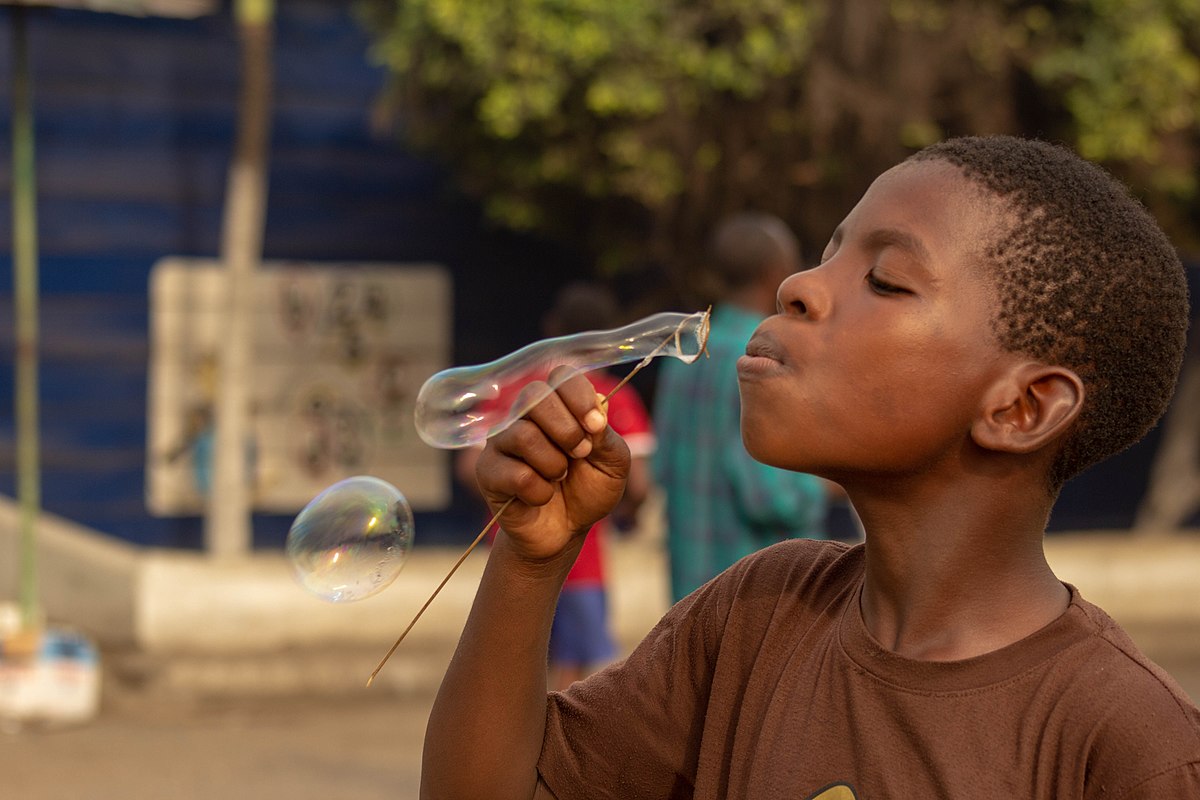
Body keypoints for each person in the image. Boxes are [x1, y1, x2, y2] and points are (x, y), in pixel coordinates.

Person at [421, 136, 1200, 799]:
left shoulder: (1127, 746)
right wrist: (530, 562)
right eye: (827, 255)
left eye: (886, 280)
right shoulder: (754, 615)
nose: (797, 288)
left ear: (1021, 408)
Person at [454, 281, 657, 690]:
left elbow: (468, 466)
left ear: (552, 326)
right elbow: (637, 484)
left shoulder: (513, 391)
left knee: (511, 675)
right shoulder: (613, 398)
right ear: (605, 335)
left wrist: (519, 496)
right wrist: (627, 513)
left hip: (509, 560)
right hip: (583, 564)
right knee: (580, 681)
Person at [653, 211, 832, 603]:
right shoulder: (763, 357)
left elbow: (661, 465)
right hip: (755, 601)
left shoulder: (684, 354)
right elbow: (771, 496)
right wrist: (831, 485)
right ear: (777, 273)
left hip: (690, 595)